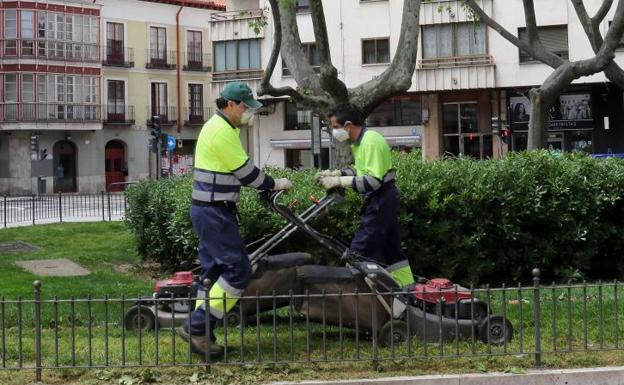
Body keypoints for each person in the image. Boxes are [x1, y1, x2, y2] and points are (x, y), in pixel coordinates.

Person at [177, 82, 292, 357]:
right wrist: (276, 183)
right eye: (244, 107)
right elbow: (248, 174)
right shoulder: (222, 132)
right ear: (230, 105)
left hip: (210, 211)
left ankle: (201, 334)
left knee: (212, 275)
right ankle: (196, 326)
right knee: (238, 271)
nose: (248, 113)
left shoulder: (220, 127)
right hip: (214, 213)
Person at [315, 103, 414, 288]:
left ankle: (354, 297)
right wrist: (336, 175)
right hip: (383, 199)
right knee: (391, 251)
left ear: (348, 125)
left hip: (381, 199)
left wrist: (339, 182)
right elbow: (361, 172)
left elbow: (373, 181)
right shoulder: (360, 142)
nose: (334, 132)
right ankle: (408, 293)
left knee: (359, 251)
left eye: (335, 127)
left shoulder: (370, 141)